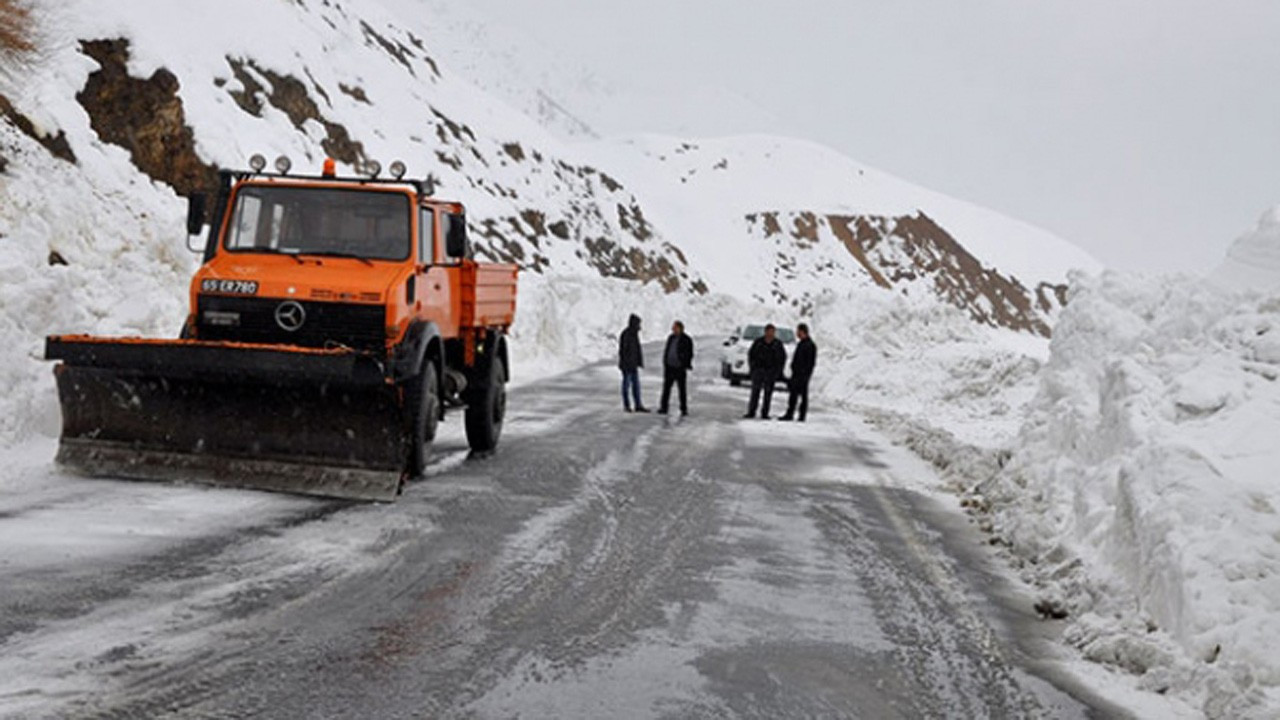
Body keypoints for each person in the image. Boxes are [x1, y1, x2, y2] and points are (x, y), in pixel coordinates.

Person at [743, 323, 787, 419]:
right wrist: (753, 368)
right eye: (769, 332)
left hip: (770, 372)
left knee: (768, 394)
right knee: (755, 393)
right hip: (759, 371)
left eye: (773, 332)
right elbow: (751, 355)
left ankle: (765, 413)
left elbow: (782, 358)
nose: (771, 334)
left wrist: (778, 371)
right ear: (765, 332)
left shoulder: (778, 344)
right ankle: (751, 411)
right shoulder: (758, 342)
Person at [779, 323, 816, 422]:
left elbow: (810, 363)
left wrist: (805, 374)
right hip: (796, 373)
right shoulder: (801, 344)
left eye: (798, 331)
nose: (797, 334)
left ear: (803, 332)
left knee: (803, 396)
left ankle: (801, 415)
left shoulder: (810, 345)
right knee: (793, 395)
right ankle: (790, 413)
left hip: (802, 375)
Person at [658, 320, 694, 416]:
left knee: (682, 390)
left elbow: (689, 353)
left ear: (680, 328)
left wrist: (684, 363)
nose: (673, 329)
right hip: (669, 368)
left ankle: (683, 409)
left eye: (674, 327)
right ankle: (664, 407)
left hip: (679, 369)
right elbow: (667, 350)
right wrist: (665, 361)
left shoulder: (686, 339)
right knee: (666, 389)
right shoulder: (671, 338)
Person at [618, 314, 649, 412]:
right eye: (638, 323)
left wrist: (639, 361)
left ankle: (638, 405)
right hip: (627, 365)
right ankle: (627, 405)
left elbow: (637, 349)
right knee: (626, 385)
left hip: (633, 364)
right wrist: (625, 363)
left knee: (636, 385)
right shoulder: (626, 334)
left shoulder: (634, 334)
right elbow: (623, 351)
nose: (639, 326)